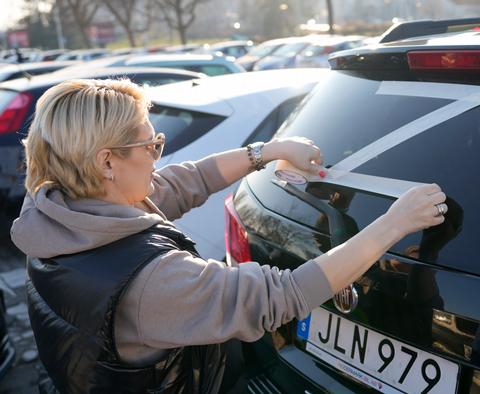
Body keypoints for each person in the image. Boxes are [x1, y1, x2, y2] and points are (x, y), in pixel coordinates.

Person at [11, 79, 448, 393]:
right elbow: (287, 293)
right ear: (107, 162)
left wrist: (270, 151)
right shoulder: (152, 282)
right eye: (151, 147)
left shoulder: (57, 210)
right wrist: (395, 222)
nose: (158, 158)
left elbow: (186, 181)